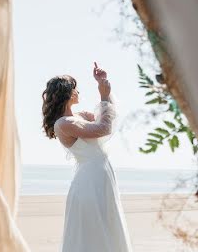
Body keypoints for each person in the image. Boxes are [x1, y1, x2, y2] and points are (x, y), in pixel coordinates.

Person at [42, 63, 132, 252]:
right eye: (74, 88)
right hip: (89, 180)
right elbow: (103, 129)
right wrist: (104, 95)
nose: (77, 91)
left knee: (108, 225)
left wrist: (102, 83)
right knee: (92, 233)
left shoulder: (79, 115)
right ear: (66, 94)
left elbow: (110, 120)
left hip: (101, 174)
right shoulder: (63, 124)